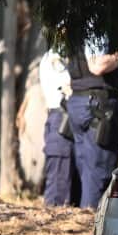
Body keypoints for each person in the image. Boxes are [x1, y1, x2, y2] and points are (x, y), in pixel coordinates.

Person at [65, 33, 118, 208]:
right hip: (96, 106)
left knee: (87, 170)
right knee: (99, 171)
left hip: (81, 102)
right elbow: (97, 65)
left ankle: (87, 219)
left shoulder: (77, 22)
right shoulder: (96, 23)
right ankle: (92, 227)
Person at [39, 48, 78, 206]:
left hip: (68, 116)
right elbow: (67, 86)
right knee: (58, 182)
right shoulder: (57, 56)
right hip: (61, 118)